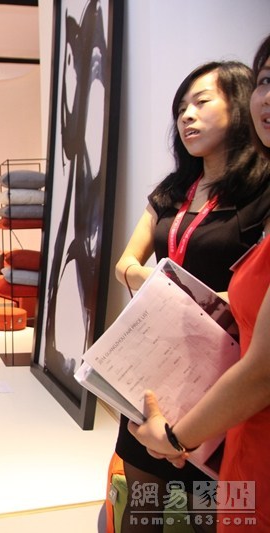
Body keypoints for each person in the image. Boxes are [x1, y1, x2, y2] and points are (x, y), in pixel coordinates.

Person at [117, 55, 270, 532]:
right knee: (139, 508)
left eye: (201, 103)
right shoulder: (174, 189)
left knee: (207, 510)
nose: (187, 115)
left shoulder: (261, 191)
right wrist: (159, 286)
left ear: (239, 105)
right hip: (154, 365)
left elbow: (254, 295)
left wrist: (187, 297)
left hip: (223, 373)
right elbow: (126, 263)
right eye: (181, 108)